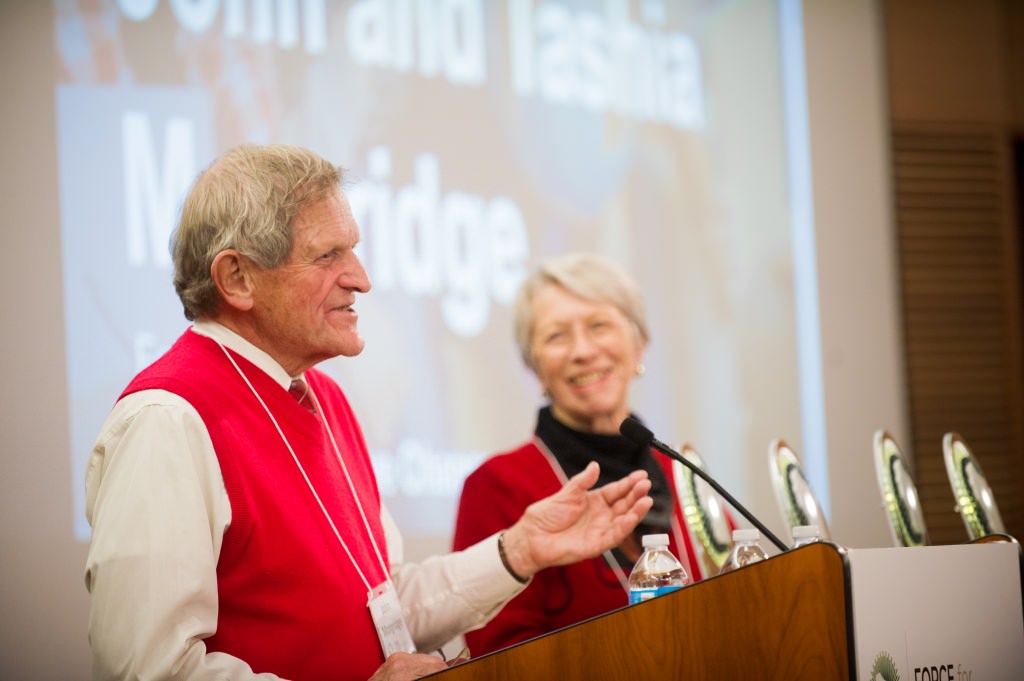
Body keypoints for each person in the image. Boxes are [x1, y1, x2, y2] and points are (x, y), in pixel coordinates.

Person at [83, 144, 654, 681]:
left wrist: (518, 551)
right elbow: (147, 668)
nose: (361, 278)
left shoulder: (325, 399)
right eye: (328, 255)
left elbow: (385, 603)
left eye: (352, 249)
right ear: (237, 278)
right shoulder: (167, 419)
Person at [452, 253, 718, 656]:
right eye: (557, 335)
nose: (582, 350)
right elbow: (501, 657)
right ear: (534, 366)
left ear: (639, 343)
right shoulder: (497, 485)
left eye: (599, 326)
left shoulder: (683, 474)